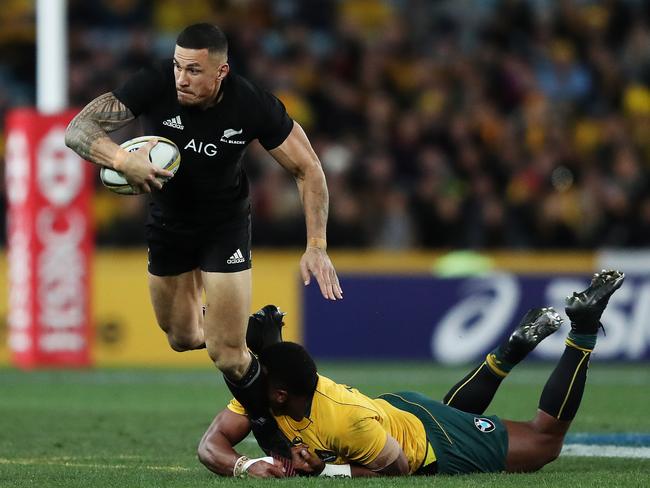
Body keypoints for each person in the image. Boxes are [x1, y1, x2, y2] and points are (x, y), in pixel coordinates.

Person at [64, 23, 342, 454]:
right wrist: (123, 159)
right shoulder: (154, 84)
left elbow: (308, 169)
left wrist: (317, 246)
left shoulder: (251, 104)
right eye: (178, 66)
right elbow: (78, 130)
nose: (181, 78)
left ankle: (272, 436)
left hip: (224, 225)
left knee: (227, 354)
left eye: (194, 70)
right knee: (182, 337)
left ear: (221, 72)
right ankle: (254, 330)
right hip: (168, 224)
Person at [197, 270, 625, 478]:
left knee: (545, 443)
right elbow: (210, 445)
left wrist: (324, 473)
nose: (249, 379)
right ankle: (508, 352)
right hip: (397, 412)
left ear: (280, 396)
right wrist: (246, 465)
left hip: (421, 442)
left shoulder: (343, 419)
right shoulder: (263, 393)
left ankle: (583, 327)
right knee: (454, 416)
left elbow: (398, 471)